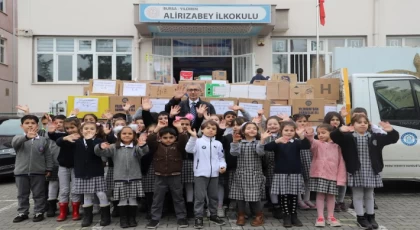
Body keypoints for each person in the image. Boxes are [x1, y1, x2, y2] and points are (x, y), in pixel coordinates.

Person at [330, 114, 399, 229]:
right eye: (359, 122)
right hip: (355, 170)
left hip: (371, 169)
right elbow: (334, 137)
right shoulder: (348, 137)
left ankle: (371, 216)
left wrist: (391, 130)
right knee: (357, 195)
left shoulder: (375, 137)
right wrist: (340, 130)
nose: (362, 124)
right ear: (353, 125)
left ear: (368, 125)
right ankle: (360, 217)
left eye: (365, 122)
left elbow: (393, 138)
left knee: (369, 195)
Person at [95, 126, 149, 228]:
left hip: (135, 177)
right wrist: (100, 146)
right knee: (123, 199)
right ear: (119, 135)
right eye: (124, 133)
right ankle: (123, 219)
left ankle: (132, 218)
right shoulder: (114, 147)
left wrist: (143, 145)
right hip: (120, 178)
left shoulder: (136, 147)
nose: (127, 135)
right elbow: (100, 152)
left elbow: (144, 152)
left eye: (129, 133)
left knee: (133, 199)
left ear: (134, 135)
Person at [58, 122, 110, 227]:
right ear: (81, 131)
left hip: (96, 172)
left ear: (96, 131)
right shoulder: (76, 142)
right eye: (86, 128)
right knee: (86, 195)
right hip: (82, 172)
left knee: (100, 193)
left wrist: (91, 140)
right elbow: (59, 142)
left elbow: (95, 151)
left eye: (92, 128)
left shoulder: (98, 141)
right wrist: (65, 138)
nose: (89, 130)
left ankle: (106, 216)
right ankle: (88, 217)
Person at [262, 121, 310, 228]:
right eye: (286, 130)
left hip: (295, 173)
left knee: (293, 196)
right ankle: (286, 216)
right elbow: (267, 147)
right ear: (281, 131)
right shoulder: (278, 143)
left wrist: (301, 135)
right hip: (281, 173)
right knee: (283, 196)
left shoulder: (297, 142)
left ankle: (294, 215)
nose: (289, 132)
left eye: (292, 130)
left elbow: (307, 145)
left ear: (295, 132)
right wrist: (276, 141)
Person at [145, 120, 189, 229]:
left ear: (175, 138)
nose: (168, 140)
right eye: (165, 137)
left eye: (171, 137)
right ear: (160, 138)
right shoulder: (156, 146)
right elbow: (150, 140)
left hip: (175, 176)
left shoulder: (179, 146)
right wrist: (157, 128)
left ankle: (181, 217)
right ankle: (155, 219)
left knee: (178, 198)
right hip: (160, 176)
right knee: (157, 198)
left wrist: (179, 128)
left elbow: (184, 139)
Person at [185, 120, 227, 229]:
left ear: (216, 131)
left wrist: (222, 166)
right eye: (208, 128)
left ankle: (213, 215)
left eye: (213, 129)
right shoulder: (197, 141)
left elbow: (221, 157)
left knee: (213, 196)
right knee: (200, 197)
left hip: (214, 174)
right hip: (200, 174)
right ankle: (198, 217)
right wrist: (193, 137)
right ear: (202, 129)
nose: (211, 130)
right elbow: (188, 149)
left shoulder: (218, 143)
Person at [12, 115, 53, 223]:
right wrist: (27, 137)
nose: (30, 125)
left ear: (37, 125)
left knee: (39, 194)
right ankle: (22, 213)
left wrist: (49, 168)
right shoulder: (18, 138)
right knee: (22, 194)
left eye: (33, 123)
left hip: (38, 172)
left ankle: (39, 212)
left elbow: (48, 155)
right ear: (22, 126)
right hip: (21, 172)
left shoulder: (43, 140)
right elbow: (15, 143)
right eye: (27, 123)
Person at [305, 124, 346, 227]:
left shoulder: (337, 146)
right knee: (320, 196)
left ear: (331, 133)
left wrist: (340, 179)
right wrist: (310, 134)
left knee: (331, 197)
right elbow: (311, 142)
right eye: (318, 133)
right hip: (320, 174)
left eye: (323, 133)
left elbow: (341, 163)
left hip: (332, 175)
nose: (320, 135)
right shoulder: (317, 144)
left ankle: (330, 216)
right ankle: (320, 217)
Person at [231, 122, 266, 227]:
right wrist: (234, 142)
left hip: (255, 174)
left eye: (254, 128)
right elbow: (234, 153)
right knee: (240, 197)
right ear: (243, 131)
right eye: (249, 128)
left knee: (255, 197)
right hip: (241, 174)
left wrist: (263, 141)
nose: (252, 130)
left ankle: (259, 215)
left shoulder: (258, 143)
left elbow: (260, 153)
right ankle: (241, 215)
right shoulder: (240, 142)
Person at [48, 117, 82, 221]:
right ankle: (63, 212)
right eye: (67, 128)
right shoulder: (63, 136)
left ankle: (76, 211)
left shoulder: (82, 138)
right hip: (63, 167)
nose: (70, 130)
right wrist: (63, 137)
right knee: (64, 190)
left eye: (72, 127)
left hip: (77, 167)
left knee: (75, 189)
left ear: (78, 127)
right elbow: (55, 138)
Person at [291, 114, 316, 210]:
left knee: (308, 178)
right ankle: (299, 200)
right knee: (298, 179)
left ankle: (307, 199)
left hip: (308, 157)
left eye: (304, 121)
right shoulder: (293, 132)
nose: (302, 123)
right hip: (298, 157)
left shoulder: (309, 132)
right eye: (299, 121)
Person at [260, 116, 283, 219]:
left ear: (280, 125)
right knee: (271, 186)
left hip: (282, 164)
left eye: (275, 124)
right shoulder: (265, 136)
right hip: (268, 165)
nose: (272, 126)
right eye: (270, 124)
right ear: (266, 126)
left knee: (281, 186)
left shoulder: (283, 135)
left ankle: (282, 204)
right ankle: (275, 206)